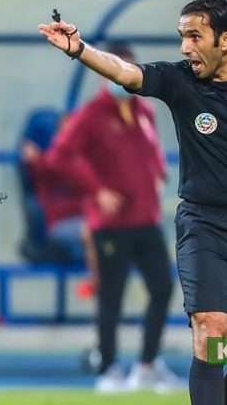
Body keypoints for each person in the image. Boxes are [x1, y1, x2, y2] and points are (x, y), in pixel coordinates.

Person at [38, 0, 227, 405]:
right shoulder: (181, 81)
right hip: (202, 224)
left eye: (194, 36)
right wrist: (80, 50)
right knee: (211, 330)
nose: (185, 47)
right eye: (181, 36)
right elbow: (127, 72)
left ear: (226, 39)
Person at [39, 43, 177, 393]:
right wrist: (96, 189)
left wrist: (158, 178)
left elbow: (153, 155)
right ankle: (110, 369)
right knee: (111, 296)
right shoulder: (91, 114)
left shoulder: (143, 110)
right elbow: (58, 157)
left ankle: (147, 364)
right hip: (110, 224)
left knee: (162, 287)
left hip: (146, 218)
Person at [21, 117, 97, 294]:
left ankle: (104, 284)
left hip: (85, 219)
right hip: (59, 224)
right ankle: (96, 284)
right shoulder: (51, 160)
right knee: (92, 232)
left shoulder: (83, 159)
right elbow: (45, 167)